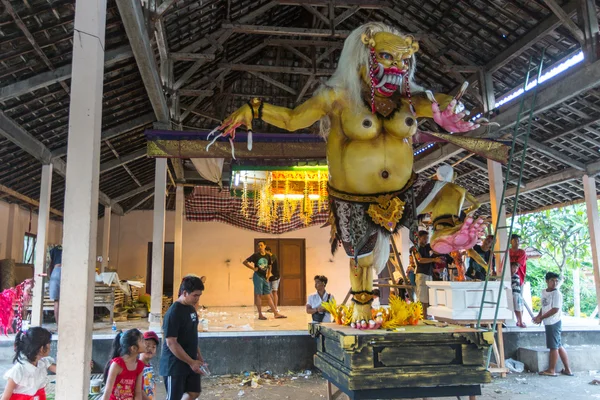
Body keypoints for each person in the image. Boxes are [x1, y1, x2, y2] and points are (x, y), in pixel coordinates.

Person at [160, 275, 207, 400]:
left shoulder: (191, 309)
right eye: (195, 295)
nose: (197, 299)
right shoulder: (173, 313)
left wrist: (199, 358)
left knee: (194, 392)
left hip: (191, 361)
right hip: (174, 365)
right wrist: (191, 362)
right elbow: (171, 343)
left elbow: (192, 336)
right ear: (185, 293)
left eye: (199, 296)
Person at [533, 272, 573, 377]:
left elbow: (555, 309)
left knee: (553, 347)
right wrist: (538, 316)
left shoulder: (557, 294)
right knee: (558, 345)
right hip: (548, 321)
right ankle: (568, 369)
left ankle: (551, 370)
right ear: (547, 281)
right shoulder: (544, 292)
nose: (554, 283)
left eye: (556, 281)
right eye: (552, 280)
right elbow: (544, 306)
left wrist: (541, 317)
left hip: (553, 322)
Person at [1, 327, 56, 400]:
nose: (50, 347)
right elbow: (5, 398)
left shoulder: (43, 363)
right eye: (49, 343)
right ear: (41, 348)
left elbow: (61, 370)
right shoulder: (18, 371)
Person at [243, 241, 286, 320]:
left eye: (261, 245)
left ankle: (275, 314)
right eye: (258, 246)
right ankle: (260, 315)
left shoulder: (267, 256)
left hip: (264, 277)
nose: (259, 247)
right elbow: (244, 262)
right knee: (258, 295)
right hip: (257, 276)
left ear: (265, 246)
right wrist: (253, 268)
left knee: (268, 295)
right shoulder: (255, 255)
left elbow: (269, 266)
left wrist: (268, 276)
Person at [102, 329, 145, 400]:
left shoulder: (139, 365)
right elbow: (107, 392)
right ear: (133, 348)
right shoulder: (117, 364)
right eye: (142, 341)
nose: (145, 343)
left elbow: (138, 392)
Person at [410, 231, 442, 317]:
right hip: (421, 274)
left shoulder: (427, 247)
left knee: (429, 297)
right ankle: (421, 316)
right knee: (422, 298)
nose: (426, 240)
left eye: (427, 238)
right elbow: (420, 259)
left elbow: (437, 251)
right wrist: (434, 260)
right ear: (419, 238)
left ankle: (427, 316)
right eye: (424, 238)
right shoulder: (415, 248)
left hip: (429, 274)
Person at [140, 331, 159, 400]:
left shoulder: (150, 366)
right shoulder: (137, 366)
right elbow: (139, 390)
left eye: (153, 347)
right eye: (147, 345)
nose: (150, 348)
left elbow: (152, 385)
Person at [48, 245, 62, 326]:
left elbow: (50, 265)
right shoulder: (71, 248)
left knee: (56, 301)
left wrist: (50, 277)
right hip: (65, 271)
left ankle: (58, 325)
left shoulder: (54, 250)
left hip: (56, 271)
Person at [265, 246, 280, 313]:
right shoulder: (266, 258)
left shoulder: (273, 256)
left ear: (268, 251)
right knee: (268, 291)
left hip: (275, 277)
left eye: (265, 252)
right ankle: (272, 307)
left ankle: (275, 308)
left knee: (274, 291)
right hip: (269, 277)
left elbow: (269, 263)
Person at [510, 262, 525, 328]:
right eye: (514, 267)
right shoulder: (509, 276)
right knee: (516, 309)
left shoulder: (516, 276)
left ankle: (520, 321)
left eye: (516, 268)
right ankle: (519, 321)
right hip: (512, 293)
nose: (515, 270)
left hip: (516, 293)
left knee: (518, 308)